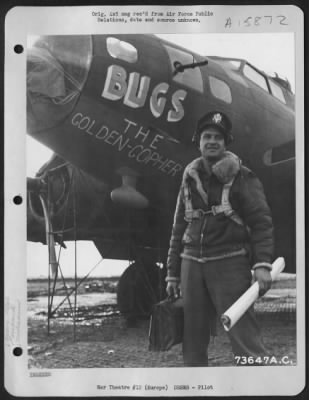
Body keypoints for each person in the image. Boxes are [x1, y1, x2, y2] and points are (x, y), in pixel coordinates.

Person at [166, 111, 274, 366]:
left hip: (230, 262)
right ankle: (197, 389)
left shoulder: (243, 176)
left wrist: (261, 264)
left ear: (226, 144)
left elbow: (261, 223)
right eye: (207, 136)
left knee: (244, 336)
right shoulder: (189, 177)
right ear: (198, 141)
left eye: (218, 137)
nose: (212, 141)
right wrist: (172, 272)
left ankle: (259, 387)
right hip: (191, 263)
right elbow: (178, 227)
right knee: (192, 338)